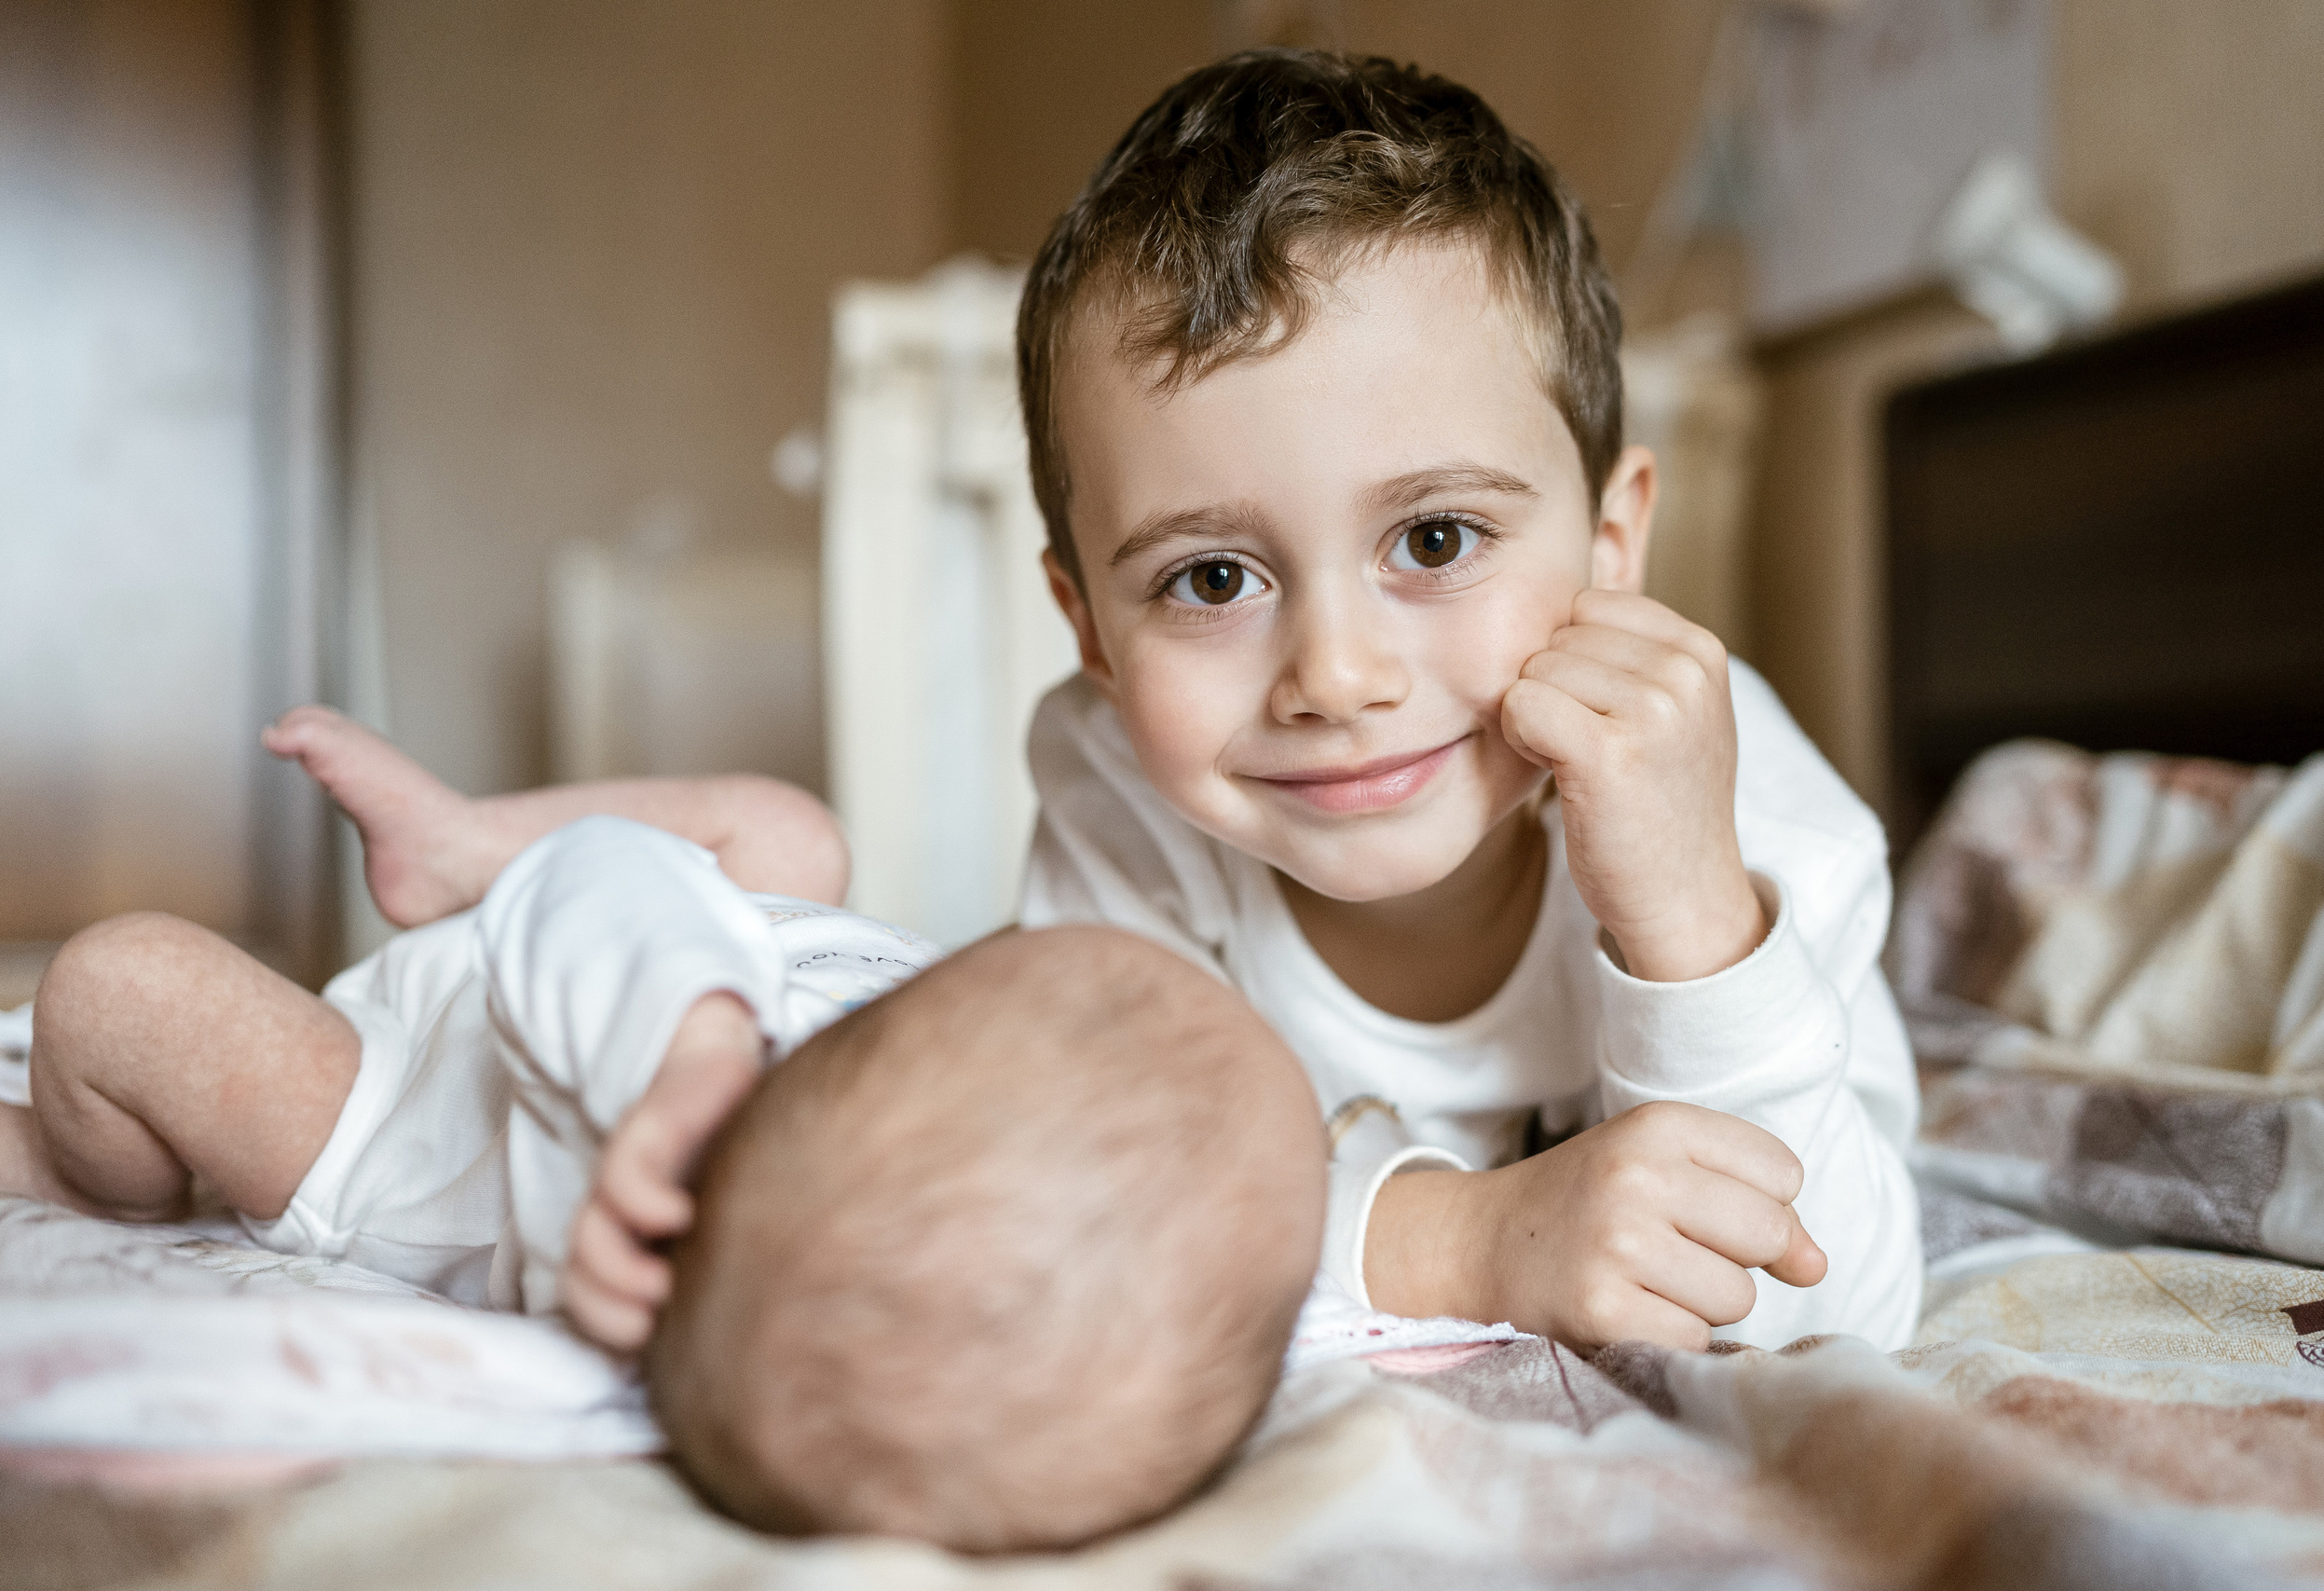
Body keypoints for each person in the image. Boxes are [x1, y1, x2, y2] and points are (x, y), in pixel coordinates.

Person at [1012, 49, 1921, 1352]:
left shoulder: (1746, 810)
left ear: (1613, 548)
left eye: (1435, 541)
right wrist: (1470, 1243)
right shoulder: (1127, 816)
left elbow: (1844, 1304)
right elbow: (1088, 1197)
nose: (1336, 676)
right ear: (1090, 632)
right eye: (1212, 576)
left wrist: (1694, 926)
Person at [0, 801, 1326, 1550]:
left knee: (127, 987)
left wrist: (690, 1041)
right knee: (795, 841)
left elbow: (600, 876)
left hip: (401, 1095)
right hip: (711, 958)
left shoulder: (699, 1081)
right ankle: (461, 844)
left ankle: (106, 1182)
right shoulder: (1017, 1210)